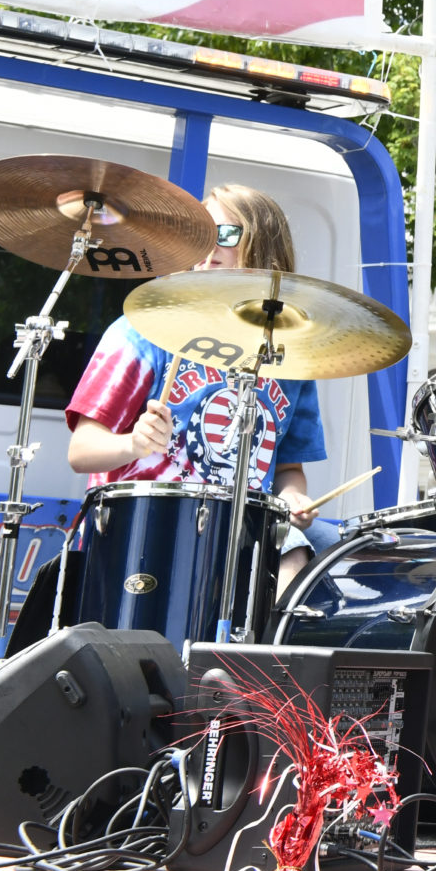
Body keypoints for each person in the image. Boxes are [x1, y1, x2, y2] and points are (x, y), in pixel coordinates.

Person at [65, 184, 330, 589]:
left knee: (328, 552)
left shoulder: (286, 357)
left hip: (244, 529)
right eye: (201, 232)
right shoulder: (143, 332)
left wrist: (293, 498)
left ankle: (263, 653)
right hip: (145, 526)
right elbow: (81, 452)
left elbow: (289, 468)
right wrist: (133, 445)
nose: (210, 245)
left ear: (263, 248)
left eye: (225, 234)